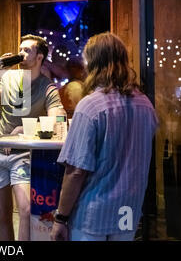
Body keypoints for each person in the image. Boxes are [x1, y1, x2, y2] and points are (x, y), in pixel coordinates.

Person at [50, 32, 158, 241]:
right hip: (128, 211)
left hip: (93, 215)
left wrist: (60, 218)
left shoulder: (90, 106)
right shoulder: (145, 105)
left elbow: (75, 172)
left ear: (93, 63)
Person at [0, 34, 62, 241]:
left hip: (22, 155)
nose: (21, 53)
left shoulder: (47, 87)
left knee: (25, 210)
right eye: (20, 49)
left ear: (40, 57)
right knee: (3, 215)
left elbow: (57, 122)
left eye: (27, 50)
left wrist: (26, 131)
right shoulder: (8, 78)